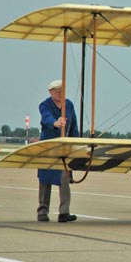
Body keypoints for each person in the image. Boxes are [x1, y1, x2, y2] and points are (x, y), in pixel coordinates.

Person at [37, 79, 79, 222]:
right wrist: (56, 123)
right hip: (48, 147)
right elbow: (47, 118)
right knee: (45, 179)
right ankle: (42, 211)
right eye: (57, 91)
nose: (60, 93)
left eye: (62, 90)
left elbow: (73, 126)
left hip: (64, 147)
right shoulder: (44, 105)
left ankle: (64, 212)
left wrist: (77, 144)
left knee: (64, 178)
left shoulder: (69, 105)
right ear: (51, 92)